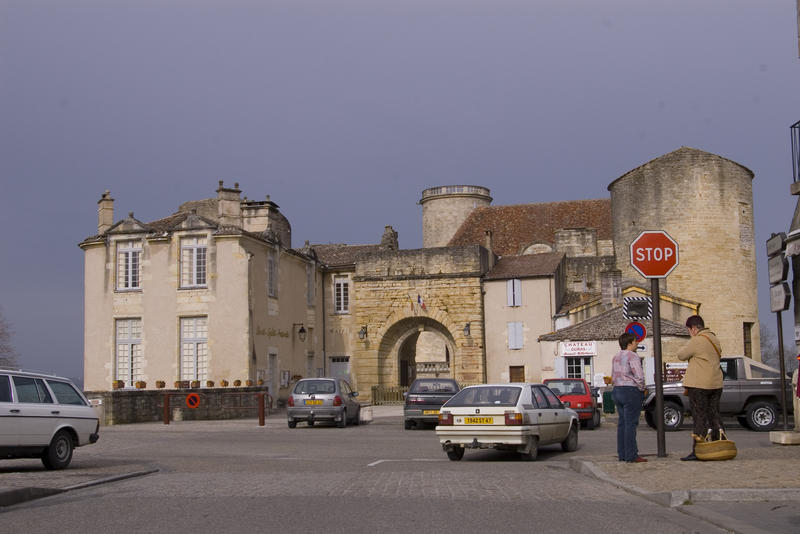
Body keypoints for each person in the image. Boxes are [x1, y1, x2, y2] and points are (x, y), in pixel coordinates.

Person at [676, 315, 723, 461]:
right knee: (714, 415)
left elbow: (681, 355)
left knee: (699, 417)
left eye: (689, 330)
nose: (690, 332)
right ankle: (719, 446)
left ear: (694, 328)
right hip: (716, 383)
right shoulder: (714, 338)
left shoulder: (697, 340)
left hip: (699, 384)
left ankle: (698, 450)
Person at [612, 332, 647, 463]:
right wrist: (642, 388)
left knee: (622, 424)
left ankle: (622, 454)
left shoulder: (616, 356)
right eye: (635, 341)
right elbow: (639, 375)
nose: (637, 343)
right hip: (630, 390)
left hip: (617, 389)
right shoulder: (633, 356)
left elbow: (613, 375)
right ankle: (632, 454)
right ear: (629, 343)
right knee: (631, 424)